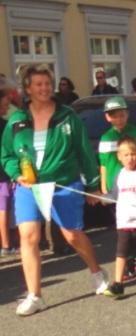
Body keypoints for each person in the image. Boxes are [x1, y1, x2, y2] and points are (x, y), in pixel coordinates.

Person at [1, 65, 108, 316]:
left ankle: (96, 272)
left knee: (72, 235)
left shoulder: (67, 116)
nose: (44, 88)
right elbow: (6, 154)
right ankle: (35, 295)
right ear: (28, 89)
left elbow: (84, 151)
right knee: (29, 237)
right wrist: (16, 173)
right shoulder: (16, 121)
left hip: (63, 183)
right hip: (29, 187)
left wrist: (93, 185)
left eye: (47, 83)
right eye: (38, 84)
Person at [103, 136, 136, 298]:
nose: (130, 158)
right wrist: (101, 198)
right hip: (124, 221)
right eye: (125, 155)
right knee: (121, 252)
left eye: (133, 154)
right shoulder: (119, 174)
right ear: (119, 157)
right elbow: (114, 195)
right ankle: (118, 283)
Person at [99, 96, 136, 195]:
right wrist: (104, 188)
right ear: (107, 117)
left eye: (122, 115)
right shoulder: (105, 138)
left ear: (127, 114)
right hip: (113, 188)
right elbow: (103, 165)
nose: (119, 120)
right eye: (114, 117)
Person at [0, 89, 15, 256]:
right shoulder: (4, 126)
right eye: (4, 105)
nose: (6, 108)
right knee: (2, 210)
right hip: (2, 173)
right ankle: (5, 245)